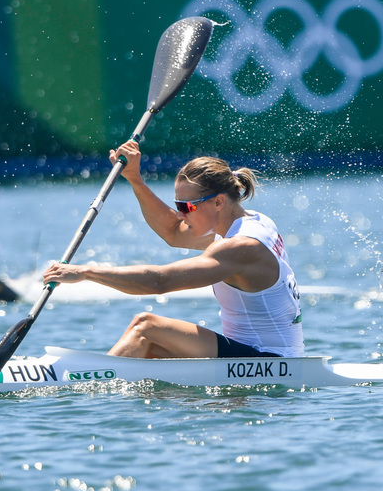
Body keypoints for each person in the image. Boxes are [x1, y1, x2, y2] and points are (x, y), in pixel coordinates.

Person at [42, 141, 303, 358]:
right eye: (178, 205)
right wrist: (135, 179)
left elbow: (160, 282)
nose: (181, 215)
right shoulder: (253, 221)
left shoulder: (241, 247)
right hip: (251, 354)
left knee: (146, 326)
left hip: (269, 359)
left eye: (186, 207)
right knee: (149, 349)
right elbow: (172, 232)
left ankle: (88, 383)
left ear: (219, 202)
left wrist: (86, 272)